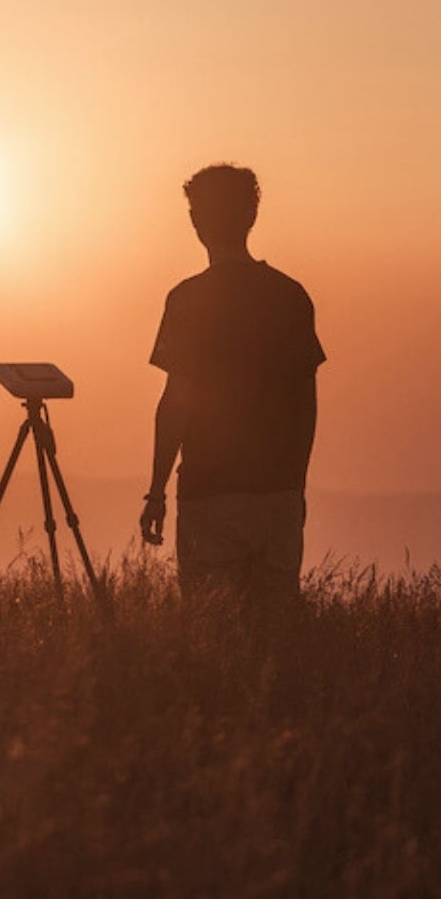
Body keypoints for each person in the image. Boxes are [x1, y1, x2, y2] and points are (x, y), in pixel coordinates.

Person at [140, 164, 325, 601]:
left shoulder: (187, 299)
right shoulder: (290, 295)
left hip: (209, 492)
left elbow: (176, 402)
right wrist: (295, 485)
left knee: (211, 627)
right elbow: (306, 404)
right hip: (277, 492)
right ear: (251, 216)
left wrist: (157, 492)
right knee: (276, 626)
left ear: (196, 221)